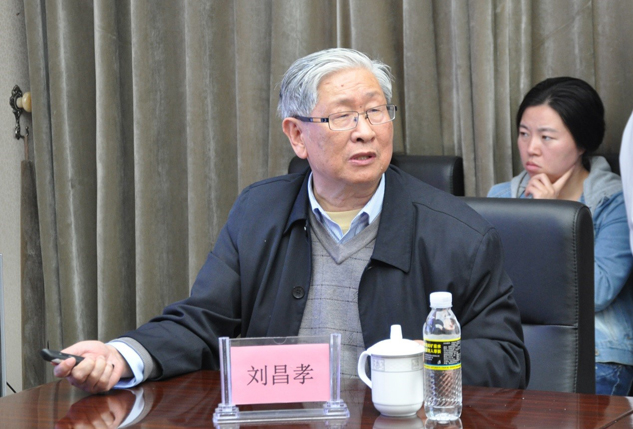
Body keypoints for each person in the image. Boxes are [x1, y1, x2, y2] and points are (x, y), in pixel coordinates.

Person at [54, 48, 529, 394]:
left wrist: (410, 364)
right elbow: (205, 320)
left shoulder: (457, 232)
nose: (365, 131)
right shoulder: (258, 212)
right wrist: (121, 355)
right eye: (342, 117)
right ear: (297, 135)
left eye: (375, 112)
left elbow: (506, 360)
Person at [488, 77, 633, 396]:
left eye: (546, 137)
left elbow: (597, 291)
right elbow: (487, 285)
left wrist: (552, 218)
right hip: (515, 347)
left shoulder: (614, 201)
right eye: (524, 134)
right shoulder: (500, 197)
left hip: (598, 354)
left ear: (581, 142)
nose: (531, 148)